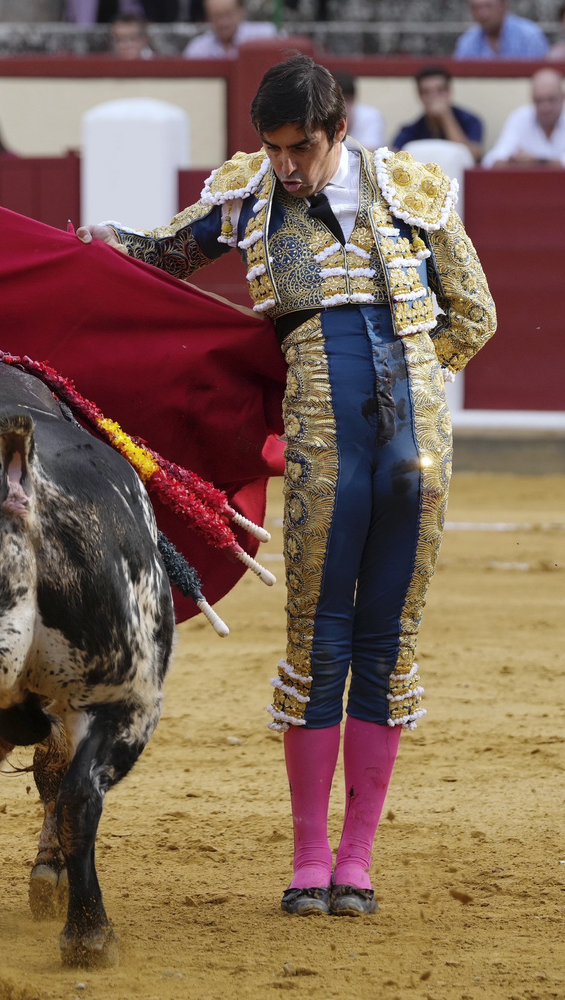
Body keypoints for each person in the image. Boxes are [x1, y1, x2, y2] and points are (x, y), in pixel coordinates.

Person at [78, 54, 496, 918]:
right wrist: (100, 245)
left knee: (388, 640)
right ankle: (311, 859)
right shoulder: (249, 196)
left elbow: (477, 313)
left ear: (339, 130)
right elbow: (159, 258)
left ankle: (357, 861)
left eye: (301, 147)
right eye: (273, 149)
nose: (287, 166)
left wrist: (419, 374)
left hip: (416, 449)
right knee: (320, 641)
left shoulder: (412, 188)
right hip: (321, 445)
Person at [392, 65, 484, 164]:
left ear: (449, 92)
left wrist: (446, 117)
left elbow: (472, 156)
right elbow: (392, 159)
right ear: (419, 96)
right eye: (426, 92)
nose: (434, 97)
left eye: (440, 91)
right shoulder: (410, 130)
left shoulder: (470, 121)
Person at [482, 67, 565, 167]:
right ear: (532, 99)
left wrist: (537, 162)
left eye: (551, 99)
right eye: (539, 100)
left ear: (562, 97)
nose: (545, 107)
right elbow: (492, 159)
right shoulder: (520, 117)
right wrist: (512, 161)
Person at [182, 0, 278, 59]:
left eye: (228, 14)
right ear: (208, 17)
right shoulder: (197, 48)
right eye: (216, 16)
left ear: (241, 11)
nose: (223, 22)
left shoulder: (266, 36)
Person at [454, 0, 548, 59]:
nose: (483, 14)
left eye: (488, 6)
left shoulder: (529, 35)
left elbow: (541, 75)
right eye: (476, 8)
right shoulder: (467, 41)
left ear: (504, 5)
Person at [333, 70, 385, 150]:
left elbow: (370, 153)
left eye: (347, 101)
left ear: (354, 99)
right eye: (337, 103)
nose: (342, 108)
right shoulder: (318, 118)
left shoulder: (370, 116)